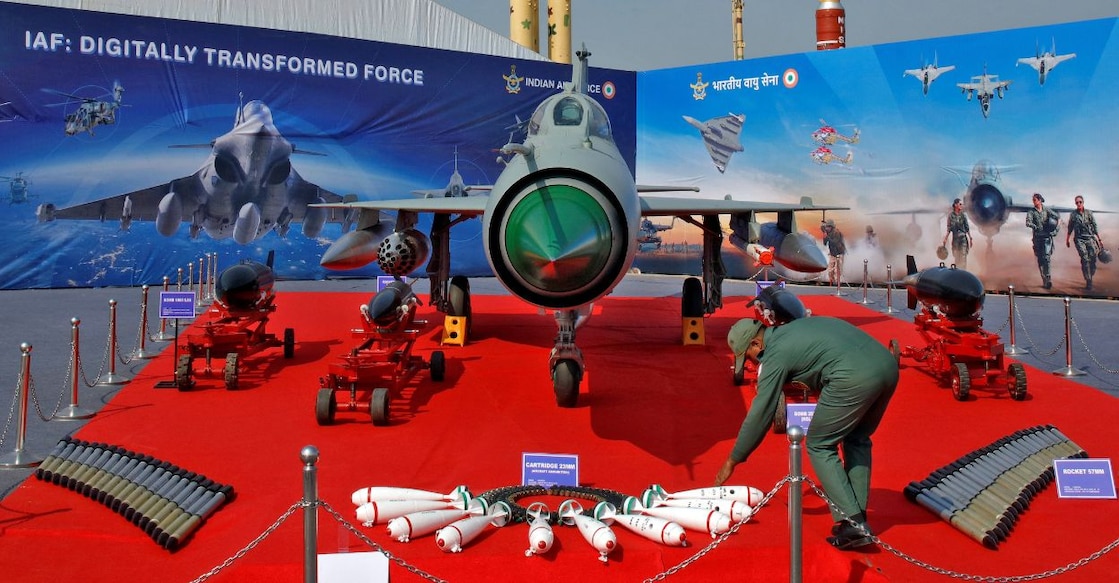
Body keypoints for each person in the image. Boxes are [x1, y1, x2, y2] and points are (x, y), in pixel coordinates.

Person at [718, 317, 899, 550]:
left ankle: (854, 522)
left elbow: (761, 411)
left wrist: (734, 458)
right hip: (886, 365)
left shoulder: (775, 354)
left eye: (749, 357)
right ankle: (855, 519)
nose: (752, 363)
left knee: (819, 444)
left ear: (756, 344)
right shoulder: (792, 329)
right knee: (857, 438)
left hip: (852, 376)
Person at [1066, 195, 1104, 290]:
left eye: (1080, 202)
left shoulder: (1089, 213)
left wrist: (1099, 239)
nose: (1078, 204)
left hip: (1090, 238)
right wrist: (1067, 239)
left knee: (1093, 258)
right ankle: (1089, 281)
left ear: (1083, 202)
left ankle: (1090, 273)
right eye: (1077, 202)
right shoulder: (1073, 214)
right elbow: (1070, 227)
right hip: (1079, 239)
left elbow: (1094, 226)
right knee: (1085, 258)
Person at [1025, 193, 1060, 289]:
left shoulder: (1047, 210)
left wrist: (1055, 231)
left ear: (1040, 200)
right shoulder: (1031, 212)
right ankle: (1044, 279)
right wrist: (1035, 226)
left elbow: (1058, 218)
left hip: (1047, 237)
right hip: (1037, 238)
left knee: (1047, 258)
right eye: (1033, 200)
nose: (1033, 202)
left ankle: (1048, 279)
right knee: (1040, 259)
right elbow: (1028, 222)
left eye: (1035, 200)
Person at [942, 198, 973, 269]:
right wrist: (945, 239)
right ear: (956, 205)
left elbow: (967, 228)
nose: (962, 206)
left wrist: (970, 238)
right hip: (955, 239)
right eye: (960, 204)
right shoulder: (951, 216)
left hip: (963, 239)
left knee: (963, 256)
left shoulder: (963, 216)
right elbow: (949, 228)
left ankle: (963, 272)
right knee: (956, 256)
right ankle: (958, 271)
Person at [821, 219, 846, 286]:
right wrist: (824, 234)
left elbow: (835, 242)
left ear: (831, 227)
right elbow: (825, 243)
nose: (827, 228)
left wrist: (827, 236)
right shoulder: (827, 233)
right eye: (826, 227)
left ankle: (837, 285)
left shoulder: (837, 233)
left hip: (839, 253)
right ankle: (832, 283)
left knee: (837, 270)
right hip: (832, 254)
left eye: (828, 227)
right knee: (830, 270)